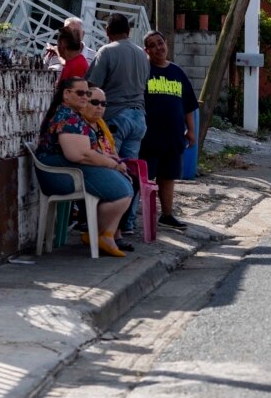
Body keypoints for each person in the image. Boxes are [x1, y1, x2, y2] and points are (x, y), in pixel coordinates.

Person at [34, 77, 134, 258]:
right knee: (121, 190)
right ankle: (101, 234)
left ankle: (105, 235)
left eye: (87, 93)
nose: (86, 98)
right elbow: (80, 155)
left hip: (72, 170)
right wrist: (111, 164)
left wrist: (110, 160)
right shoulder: (67, 117)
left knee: (126, 184)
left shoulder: (74, 115)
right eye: (80, 93)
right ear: (66, 94)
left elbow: (87, 152)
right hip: (61, 175)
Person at [86, 13, 150, 233]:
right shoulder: (142, 55)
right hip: (138, 117)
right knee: (131, 169)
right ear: (129, 31)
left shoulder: (107, 52)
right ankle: (128, 222)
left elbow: (93, 85)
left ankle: (110, 225)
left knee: (112, 167)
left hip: (115, 117)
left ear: (107, 31)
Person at [142, 30, 199, 231]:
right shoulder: (144, 71)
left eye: (161, 42)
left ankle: (166, 215)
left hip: (173, 136)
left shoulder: (177, 72)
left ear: (166, 43)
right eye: (153, 45)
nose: (159, 47)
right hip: (149, 137)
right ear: (146, 50)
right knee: (145, 178)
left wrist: (191, 131)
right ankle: (140, 217)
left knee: (168, 176)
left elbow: (189, 105)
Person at [79, 84, 137, 253]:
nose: (99, 107)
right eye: (95, 102)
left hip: (105, 165)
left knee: (132, 180)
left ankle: (112, 234)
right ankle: (100, 233)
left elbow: (111, 150)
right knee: (123, 186)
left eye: (103, 104)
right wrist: (113, 164)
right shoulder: (79, 124)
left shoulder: (101, 125)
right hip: (89, 170)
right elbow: (88, 154)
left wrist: (118, 162)